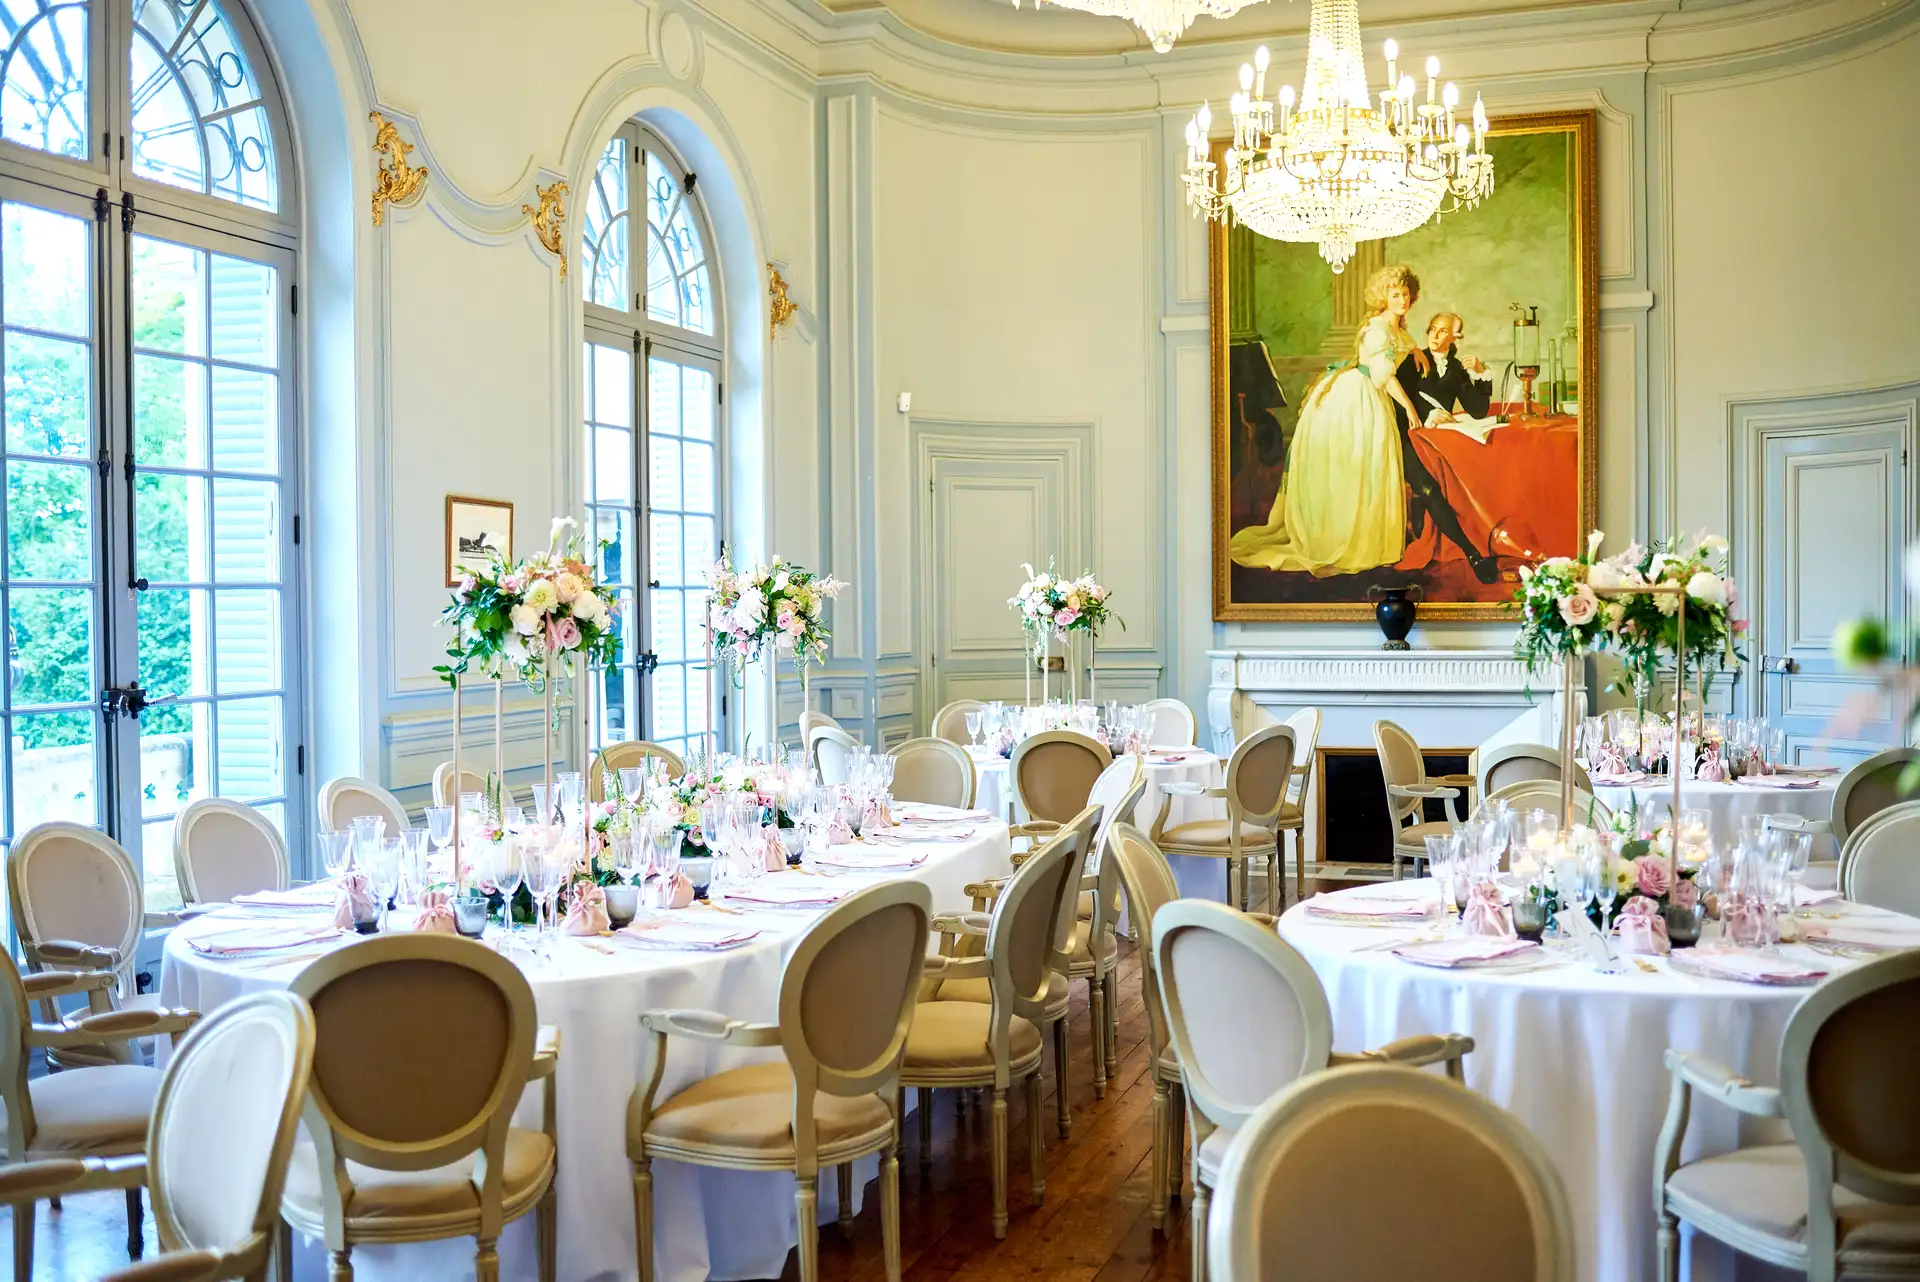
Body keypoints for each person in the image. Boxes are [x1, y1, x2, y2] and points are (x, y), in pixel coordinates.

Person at [1227, 263, 1425, 578]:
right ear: (1383, 298)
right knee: (1359, 465)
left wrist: (1416, 351)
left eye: (1405, 294)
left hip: (1367, 396)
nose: (1401, 299)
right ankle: (1350, 538)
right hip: (1357, 399)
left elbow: (1400, 347)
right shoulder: (1378, 328)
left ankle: (1369, 535)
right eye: (1395, 294)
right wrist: (1410, 409)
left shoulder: (1394, 328)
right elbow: (1381, 376)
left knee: (1369, 467)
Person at [1391, 311, 1501, 583]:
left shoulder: (1456, 369)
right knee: (1428, 489)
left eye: (1443, 331)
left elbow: (1477, 410)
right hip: (1405, 437)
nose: (1435, 336)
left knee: (1469, 476)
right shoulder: (1414, 360)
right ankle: (1472, 553)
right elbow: (1394, 402)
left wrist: (1480, 373)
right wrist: (1428, 413)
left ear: (1455, 337)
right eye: (1432, 329)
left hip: (1437, 445)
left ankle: (1486, 540)